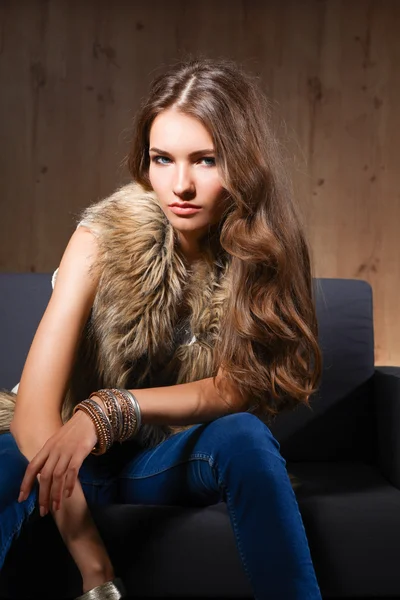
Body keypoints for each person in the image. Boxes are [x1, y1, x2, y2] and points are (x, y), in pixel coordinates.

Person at [0, 57, 324, 600]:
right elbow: (34, 412)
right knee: (9, 460)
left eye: (205, 160)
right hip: (54, 451)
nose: (182, 185)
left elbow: (234, 388)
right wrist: (95, 566)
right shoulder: (106, 235)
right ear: (144, 164)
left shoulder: (264, 252)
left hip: (159, 459)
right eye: (162, 159)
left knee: (245, 435)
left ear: (242, 164)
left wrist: (110, 409)